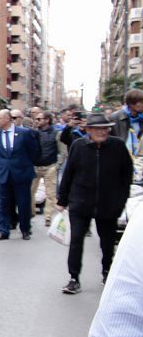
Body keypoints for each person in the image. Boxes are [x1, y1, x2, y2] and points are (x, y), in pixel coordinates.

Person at [56, 114, 133, 294]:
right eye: (97, 129)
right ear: (88, 130)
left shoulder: (117, 146)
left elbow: (126, 175)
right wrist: (63, 199)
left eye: (105, 128)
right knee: (76, 241)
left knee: (107, 242)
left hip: (108, 203)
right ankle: (74, 278)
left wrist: (120, 200)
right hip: (80, 201)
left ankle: (107, 271)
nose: (102, 132)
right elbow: (69, 173)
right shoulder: (78, 146)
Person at [0, 109, 40, 241]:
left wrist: (25, 164)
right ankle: (4, 230)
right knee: (3, 204)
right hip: (3, 173)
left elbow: (34, 152)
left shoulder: (25, 133)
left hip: (22, 173)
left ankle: (25, 230)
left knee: (23, 203)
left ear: (8, 119)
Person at [31, 111, 60, 226]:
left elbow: (63, 151)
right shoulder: (33, 133)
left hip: (50, 166)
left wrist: (57, 166)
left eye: (39, 119)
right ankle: (31, 212)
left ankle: (48, 217)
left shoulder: (56, 133)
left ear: (47, 120)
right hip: (35, 166)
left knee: (50, 194)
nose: (36, 121)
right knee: (30, 191)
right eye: (36, 119)